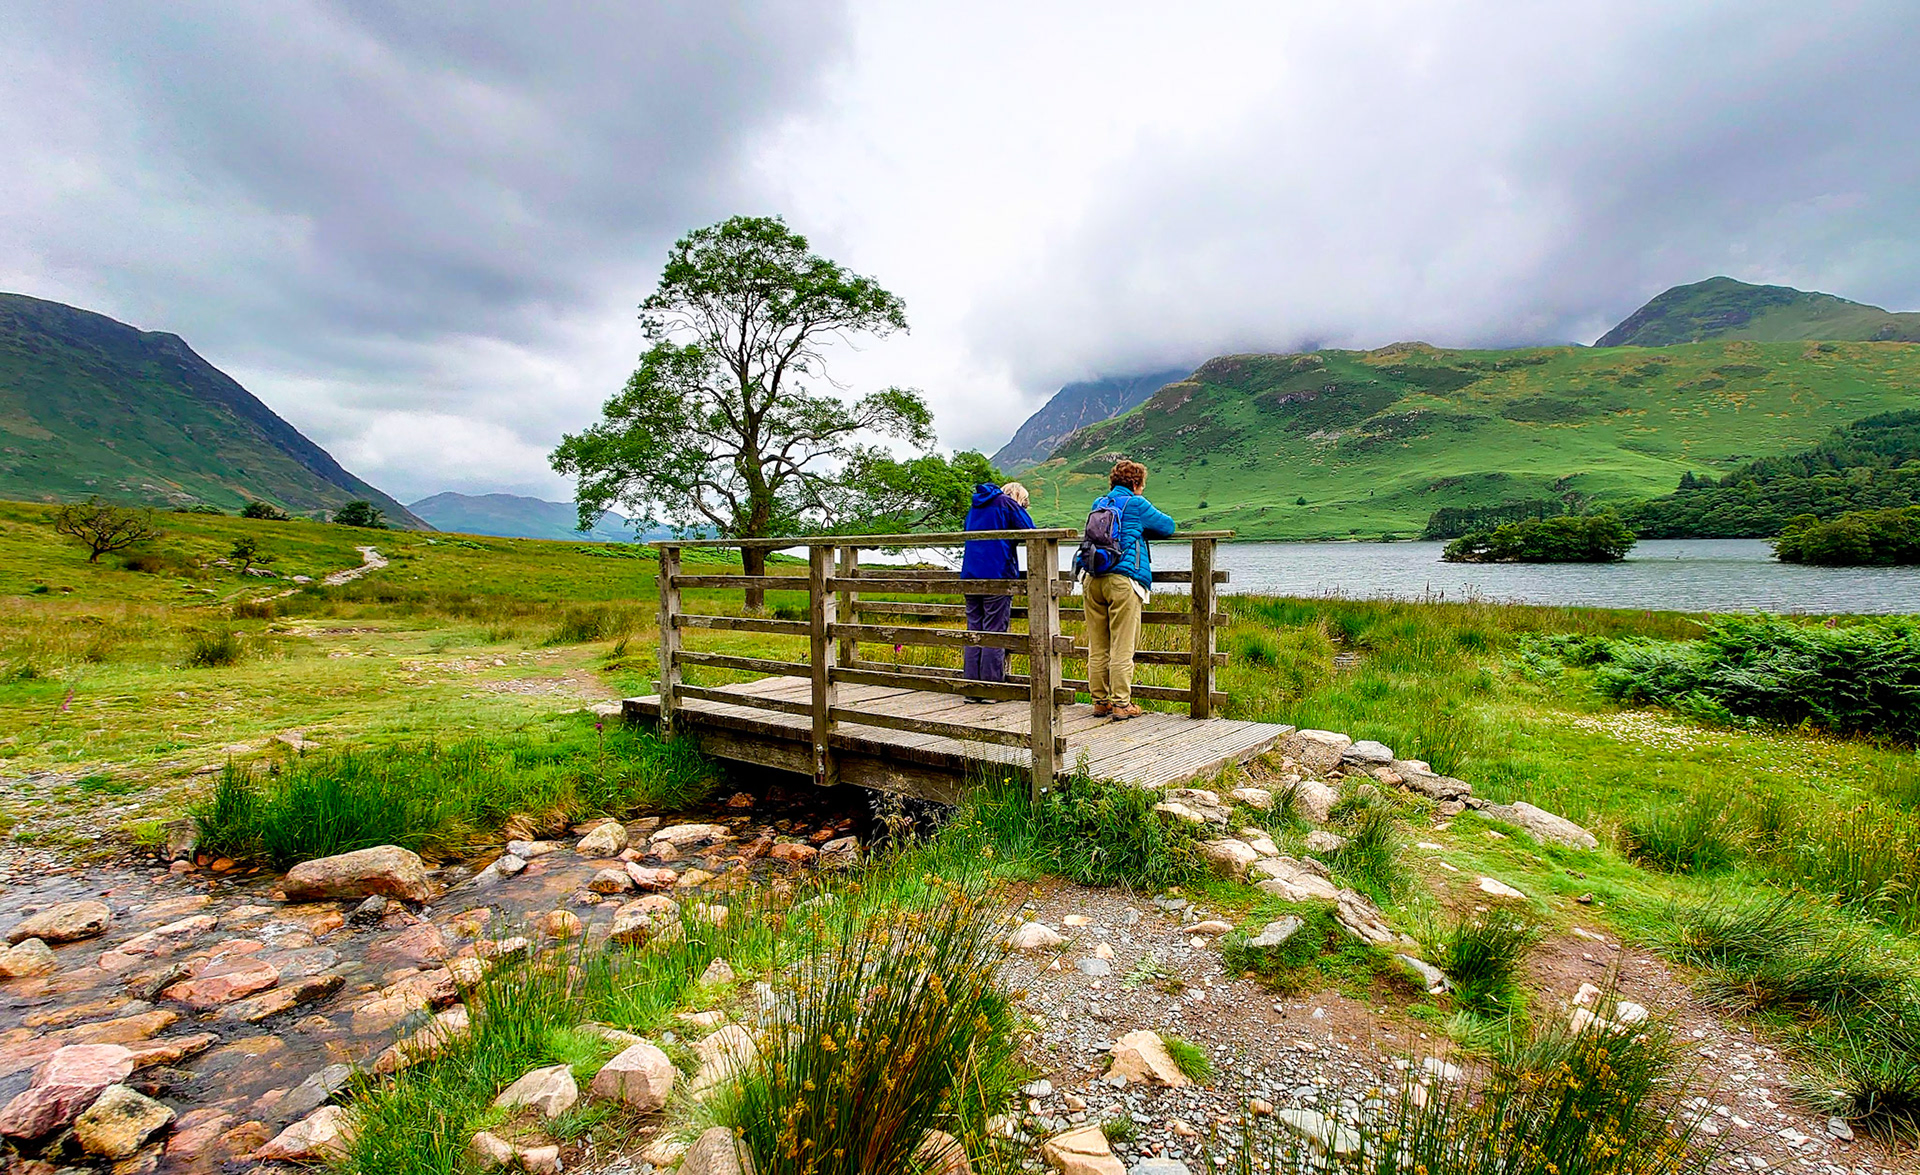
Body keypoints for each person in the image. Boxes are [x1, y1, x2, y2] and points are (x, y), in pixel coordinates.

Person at [1079, 459, 1175, 720]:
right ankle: (1122, 704)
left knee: (1098, 645)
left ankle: (1100, 702)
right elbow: (1168, 526)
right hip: (1123, 580)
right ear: (1136, 483)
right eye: (1142, 483)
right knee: (1122, 646)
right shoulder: (1136, 503)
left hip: (1092, 577)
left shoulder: (1099, 503)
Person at [959, 480, 1034, 699]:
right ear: (1018, 498)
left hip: (970, 574)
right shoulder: (1006, 504)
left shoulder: (976, 506)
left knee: (975, 630)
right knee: (994, 631)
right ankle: (992, 688)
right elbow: (1028, 529)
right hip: (997, 574)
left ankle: (972, 689)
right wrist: (1017, 511)